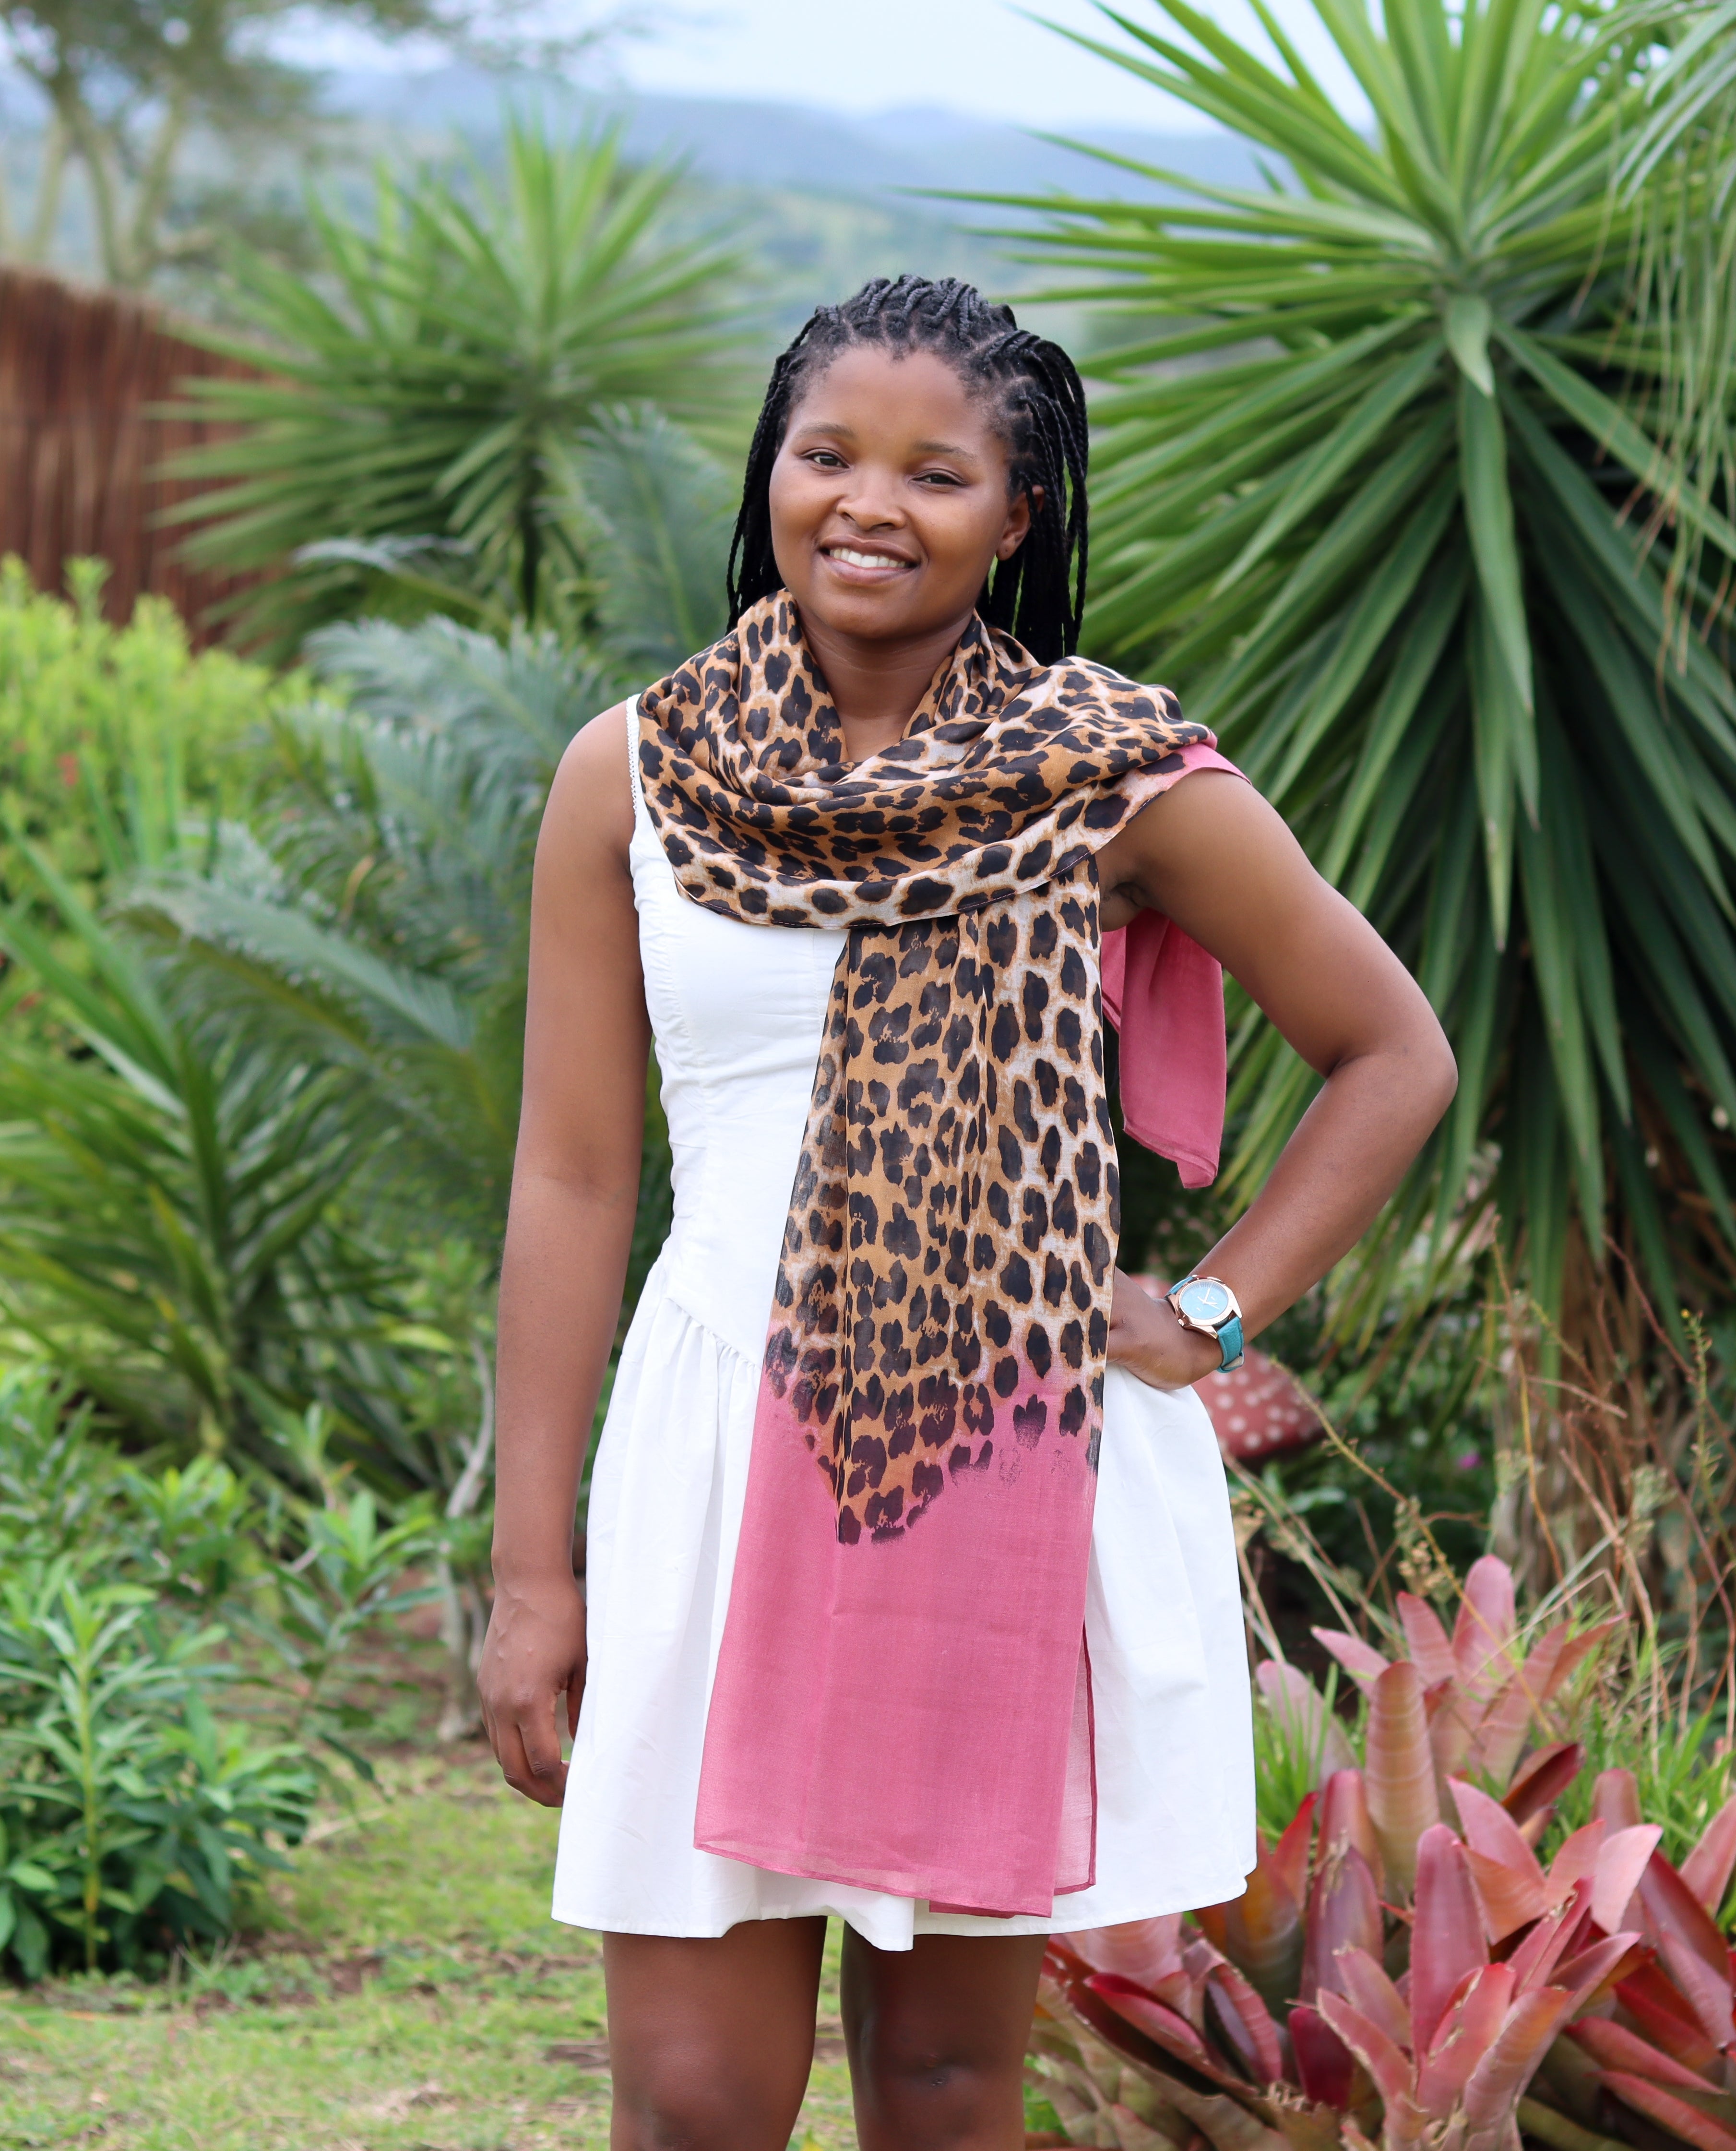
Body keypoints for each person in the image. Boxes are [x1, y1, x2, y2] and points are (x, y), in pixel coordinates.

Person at [478, 275, 1455, 2151]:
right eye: (825, 450)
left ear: (1013, 519)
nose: (865, 499)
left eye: (934, 471)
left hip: (985, 1452)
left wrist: (1218, 1308)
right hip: (707, 1440)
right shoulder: (635, 773)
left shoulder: (1108, 774)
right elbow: (573, 1173)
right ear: (769, 467)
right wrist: (533, 1572)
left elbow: (1386, 1050)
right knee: (690, 2100)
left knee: (940, 2085)